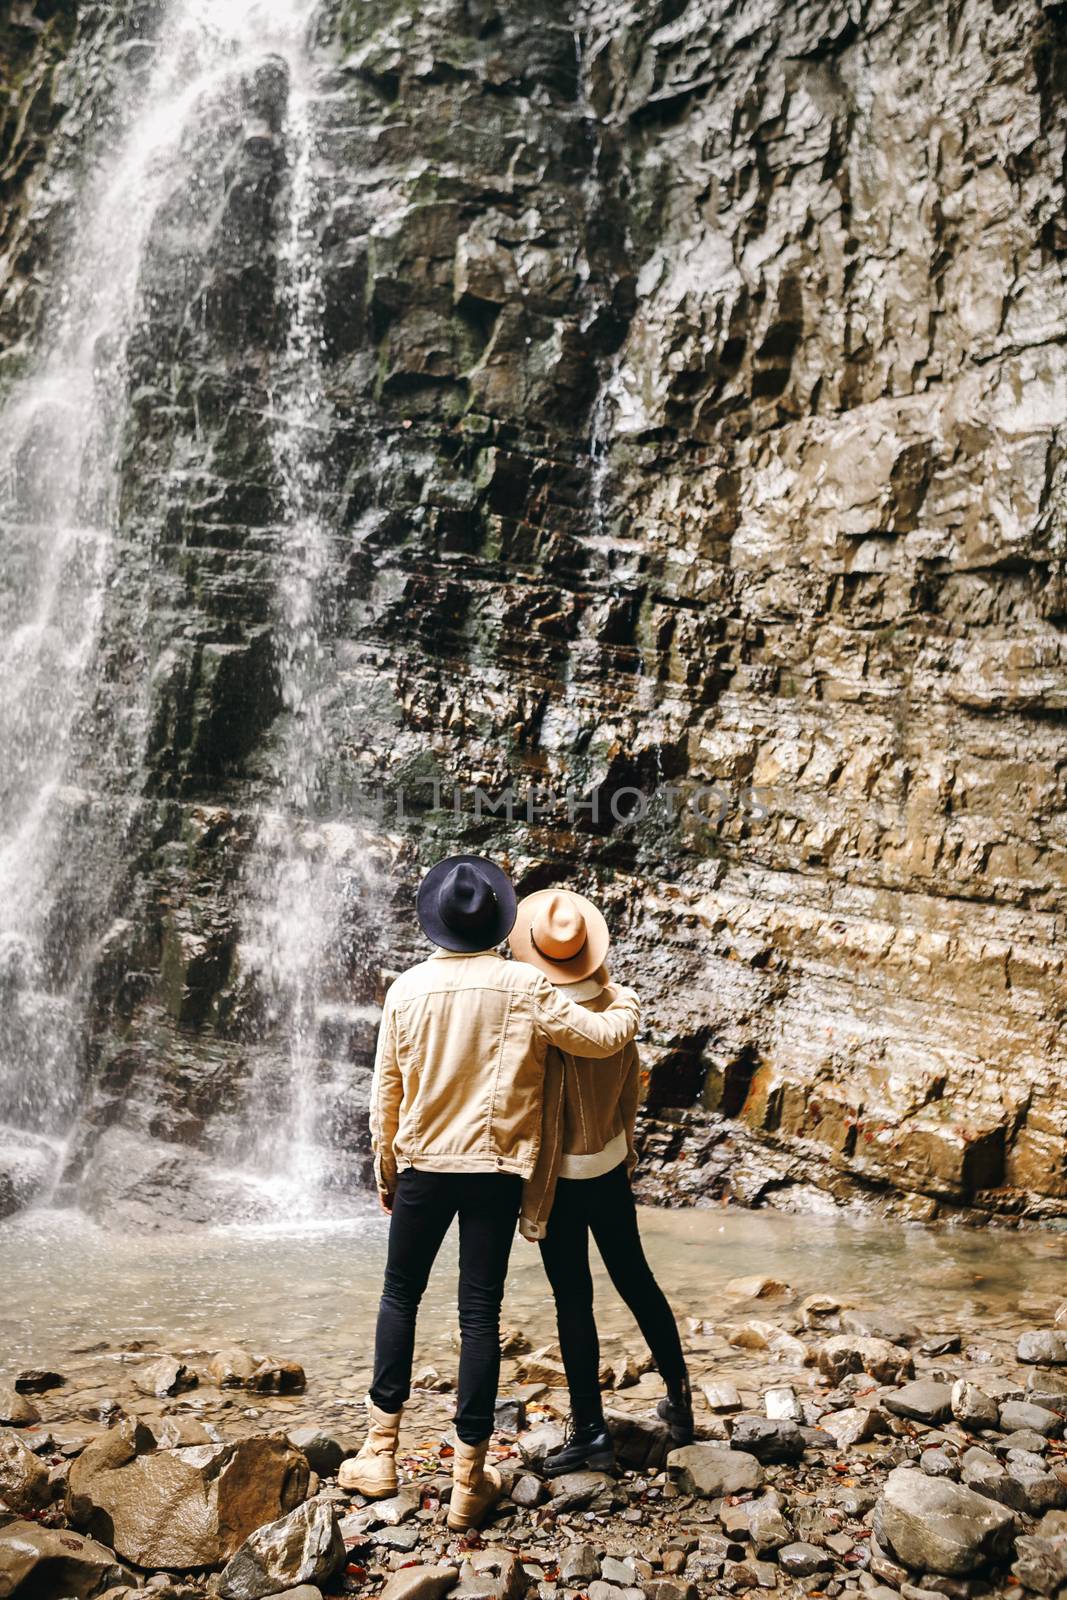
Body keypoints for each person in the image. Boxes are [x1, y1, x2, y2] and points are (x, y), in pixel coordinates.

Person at [342, 855, 641, 1530]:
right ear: (501, 922)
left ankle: (378, 1453)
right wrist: (622, 997)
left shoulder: (406, 989)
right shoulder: (525, 986)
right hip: (496, 1170)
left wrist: (386, 1172)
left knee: (400, 1297)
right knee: (478, 1314)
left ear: (436, 924)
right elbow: (599, 1039)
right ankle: (467, 1482)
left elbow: (384, 1096)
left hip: (422, 1165)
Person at [511, 888, 692, 1475]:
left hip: (560, 1178)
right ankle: (680, 1399)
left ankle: (589, 1430)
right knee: (636, 1278)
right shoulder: (618, 1007)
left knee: (573, 1300)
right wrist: (623, 1147)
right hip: (609, 1166)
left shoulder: (539, 1017)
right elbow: (630, 1094)